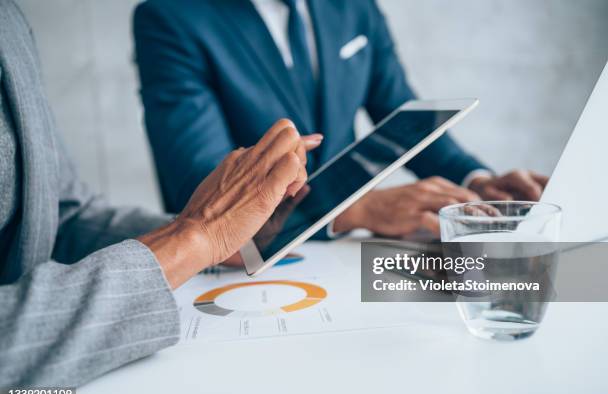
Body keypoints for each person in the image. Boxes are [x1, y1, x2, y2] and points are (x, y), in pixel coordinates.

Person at [0, 0, 320, 393]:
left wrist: (211, 240)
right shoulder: (174, 17)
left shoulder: (9, 19)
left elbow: (60, 216)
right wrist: (192, 239)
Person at [134, 0, 548, 237]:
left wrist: (476, 181)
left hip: (346, 263)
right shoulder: (170, 18)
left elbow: (403, 114)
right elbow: (200, 186)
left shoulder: (355, 7)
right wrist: (357, 208)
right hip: (235, 267)